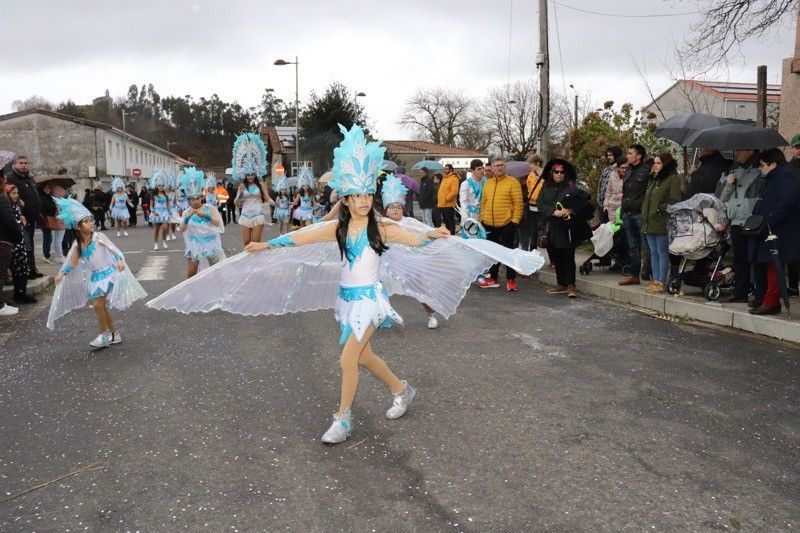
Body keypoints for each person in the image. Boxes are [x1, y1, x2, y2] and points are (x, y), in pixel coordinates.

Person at [148, 124, 544, 444]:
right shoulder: (337, 227)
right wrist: (266, 244)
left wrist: (433, 236)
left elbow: (413, 238)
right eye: (354, 196)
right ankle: (403, 389)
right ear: (347, 197)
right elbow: (304, 236)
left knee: (346, 360)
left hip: (371, 300)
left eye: (365, 195)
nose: (360, 202)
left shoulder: (383, 227)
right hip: (346, 300)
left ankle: (343, 419)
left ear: (371, 195)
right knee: (365, 357)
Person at [49, 197, 147, 347]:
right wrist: (62, 273)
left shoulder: (99, 237)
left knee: (97, 305)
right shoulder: (78, 245)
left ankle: (103, 335)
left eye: (91, 220)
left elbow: (115, 252)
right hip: (95, 278)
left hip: (108, 274)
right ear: (78, 227)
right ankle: (114, 333)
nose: (91, 224)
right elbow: (72, 263)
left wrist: (120, 260)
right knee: (101, 306)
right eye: (86, 221)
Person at [381, 173, 441, 329]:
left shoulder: (411, 222)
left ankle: (432, 315)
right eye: (391, 207)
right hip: (387, 264)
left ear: (403, 209)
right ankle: (381, 316)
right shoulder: (381, 224)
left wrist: (439, 234)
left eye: (398, 207)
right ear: (386, 211)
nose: (395, 210)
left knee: (420, 290)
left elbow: (427, 232)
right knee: (377, 289)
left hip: (410, 263)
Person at [748, 149, 800, 315]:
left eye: (762, 165)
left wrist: (771, 219)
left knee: (775, 266)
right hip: (769, 229)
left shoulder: (785, 176)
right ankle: (767, 300)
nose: (760, 168)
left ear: (773, 164)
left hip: (779, 231)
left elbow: (788, 201)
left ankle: (771, 303)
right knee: (768, 265)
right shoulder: (772, 178)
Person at [537, 159, 593, 298]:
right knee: (556, 256)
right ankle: (561, 283)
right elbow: (540, 204)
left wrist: (571, 210)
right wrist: (552, 211)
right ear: (552, 173)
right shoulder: (546, 186)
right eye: (557, 172)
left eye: (562, 172)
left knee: (568, 256)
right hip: (552, 227)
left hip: (568, 227)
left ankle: (571, 285)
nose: (560, 174)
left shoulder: (571, 186)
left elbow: (584, 202)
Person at [717, 149, 762, 303]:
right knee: (740, 259)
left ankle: (758, 292)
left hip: (752, 222)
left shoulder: (759, 172)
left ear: (750, 151)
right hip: (736, 222)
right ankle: (740, 292)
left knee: (755, 258)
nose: (736, 154)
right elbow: (721, 198)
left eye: (741, 150)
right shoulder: (733, 171)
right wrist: (729, 184)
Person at [479, 157, 523, 291]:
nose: (499, 168)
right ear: (491, 168)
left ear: (505, 167)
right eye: (496, 165)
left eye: (502, 165)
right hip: (489, 224)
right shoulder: (488, 183)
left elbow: (518, 204)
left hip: (507, 223)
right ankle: (493, 278)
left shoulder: (513, 182)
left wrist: (514, 221)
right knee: (493, 253)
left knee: (508, 252)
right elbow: (484, 203)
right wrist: (482, 218)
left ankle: (511, 279)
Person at [641, 153, 683, 294]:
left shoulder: (673, 179)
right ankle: (655, 281)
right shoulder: (653, 180)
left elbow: (675, 201)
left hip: (662, 221)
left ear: (665, 165)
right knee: (653, 252)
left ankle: (661, 281)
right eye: (654, 162)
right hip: (649, 221)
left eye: (658, 163)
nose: (655, 165)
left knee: (661, 251)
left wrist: (660, 208)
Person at [178, 167, 225, 278]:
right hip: (194, 244)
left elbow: (218, 223)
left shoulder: (209, 208)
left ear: (201, 197)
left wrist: (206, 216)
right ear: (189, 200)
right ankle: (192, 292)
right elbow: (181, 229)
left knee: (217, 272)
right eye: (192, 199)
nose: (195, 201)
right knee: (191, 273)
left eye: (197, 198)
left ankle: (220, 291)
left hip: (210, 243)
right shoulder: (187, 212)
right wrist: (186, 218)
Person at [5, 156, 44, 278]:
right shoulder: (11, 177)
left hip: (32, 217)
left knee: (30, 244)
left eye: (26, 163)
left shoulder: (28, 177)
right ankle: (26, 271)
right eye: (21, 163)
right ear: (15, 164)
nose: (24, 165)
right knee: (23, 245)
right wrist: (20, 211)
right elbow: (10, 196)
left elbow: (34, 194)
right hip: (21, 217)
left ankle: (31, 269)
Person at [619, 144, 651, 286]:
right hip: (627, 213)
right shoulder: (629, 171)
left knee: (647, 246)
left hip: (640, 214)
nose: (627, 155)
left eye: (630, 153)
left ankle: (650, 274)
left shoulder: (647, 170)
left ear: (639, 156)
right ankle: (634, 275)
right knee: (633, 247)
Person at [5, 183, 36, 304]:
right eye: (13, 193)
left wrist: (22, 219)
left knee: (23, 268)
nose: (16, 195)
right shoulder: (7, 206)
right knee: (18, 268)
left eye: (17, 193)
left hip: (20, 240)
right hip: (13, 242)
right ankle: (18, 294)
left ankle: (21, 293)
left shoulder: (15, 206)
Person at [0, 174, 23, 316]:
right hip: (3, 241)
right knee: (0, 274)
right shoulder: (2, 199)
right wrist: (18, 236)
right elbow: (10, 222)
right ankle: (1, 306)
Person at [519, 155, 545, 251]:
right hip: (533, 206)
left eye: (531, 164)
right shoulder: (530, 176)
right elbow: (530, 191)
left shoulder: (547, 175)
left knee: (545, 231)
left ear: (537, 164)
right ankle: (532, 252)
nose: (530, 166)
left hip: (544, 207)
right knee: (533, 232)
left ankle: (553, 259)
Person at [38, 182, 66, 263]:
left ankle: (48, 255)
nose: (47, 190)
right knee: (48, 238)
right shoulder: (41, 197)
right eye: (45, 188)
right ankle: (46, 255)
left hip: (50, 219)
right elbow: (42, 208)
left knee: (49, 238)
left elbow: (52, 208)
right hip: (44, 220)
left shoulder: (49, 197)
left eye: (48, 188)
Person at [598, 147, 623, 223]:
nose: (608, 157)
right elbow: (600, 186)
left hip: (614, 207)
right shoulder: (606, 169)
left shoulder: (620, 169)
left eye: (611, 155)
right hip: (602, 205)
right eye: (607, 155)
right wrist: (600, 203)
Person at [148, 171, 172, 250]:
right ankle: (155, 244)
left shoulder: (166, 195)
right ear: (156, 186)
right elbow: (151, 205)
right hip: (157, 213)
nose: (161, 187)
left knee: (165, 227)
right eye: (159, 185)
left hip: (165, 213)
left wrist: (169, 212)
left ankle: (164, 241)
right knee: (156, 229)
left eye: (162, 185)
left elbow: (168, 204)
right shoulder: (153, 195)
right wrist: (153, 211)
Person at [459, 159, 486, 227]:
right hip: (471, 216)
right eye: (479, 169)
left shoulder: (486, 181)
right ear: (472, 171)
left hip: (484, 215)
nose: (482, 171)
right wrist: (467, 219)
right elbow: (463, 202)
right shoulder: (466, 184)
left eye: (483, 168)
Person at [437, 164, 460, 234]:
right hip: (442, 204)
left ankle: (452, 235)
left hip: (448, 204)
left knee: (450, 222)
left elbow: (455, 191)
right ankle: (448, 235)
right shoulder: (445, 178)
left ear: (451, 169)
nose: (445, 170)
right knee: (446, 222)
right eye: (444, 168)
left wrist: (447, 198)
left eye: (447, 168)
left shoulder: (454, 178)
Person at [603, 157, 627, 223]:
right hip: (612, 209)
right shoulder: (612, 175)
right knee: (613, 232)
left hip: (623, 209)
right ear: (618, 167)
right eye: (622, 167)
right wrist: (605, 207)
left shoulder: (630, 176)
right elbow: (608, 192)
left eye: (626, 168)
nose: (624, 170)